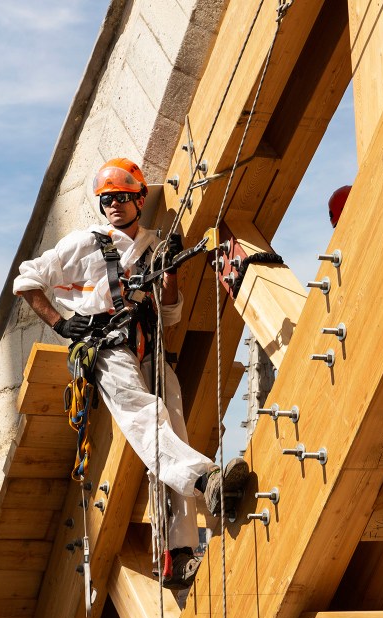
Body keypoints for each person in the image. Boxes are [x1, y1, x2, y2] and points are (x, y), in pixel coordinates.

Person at [13, 157, 248, 589]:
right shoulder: (84, 243)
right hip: (105, 348)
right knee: (147, 416)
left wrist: (170, 272)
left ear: (139, 198)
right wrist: (63, 325)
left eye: (121, 197)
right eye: (106, 199)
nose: (114, 205)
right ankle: (204, 478)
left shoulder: (155, 247)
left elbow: (172, 315)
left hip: (148, 343)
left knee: (172, 425)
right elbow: (27, 280)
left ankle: (177, 553)